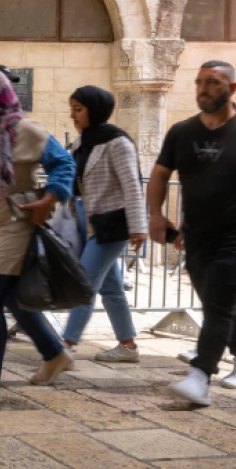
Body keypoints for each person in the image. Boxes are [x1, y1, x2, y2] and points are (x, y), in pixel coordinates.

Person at [0, 68, 75, 407]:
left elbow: (63, 164)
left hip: (12, 226)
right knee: (10, 299)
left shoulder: (24, 130)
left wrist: (49, 198)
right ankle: (54, 354)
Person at [150, 61, 236, 406]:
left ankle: (200, 376)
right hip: (198, 236)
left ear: (231, 89)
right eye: (200, 82)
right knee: (217, 302)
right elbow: (159, 175)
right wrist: (156, 215)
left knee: (218, 303)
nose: (204, 89)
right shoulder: (181, 132)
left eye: (214, 83)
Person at [61, 86, 146, 362]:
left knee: (84, 283)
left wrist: (138, 226)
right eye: (72, 108)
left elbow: (132, 185)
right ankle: (128, 346)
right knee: (111, 288)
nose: (73, 115)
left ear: (95, 110)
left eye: (78, 109)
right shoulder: (83, 141)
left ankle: (67, 345)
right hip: (86, 221)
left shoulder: (117, 142)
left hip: (111, 224)